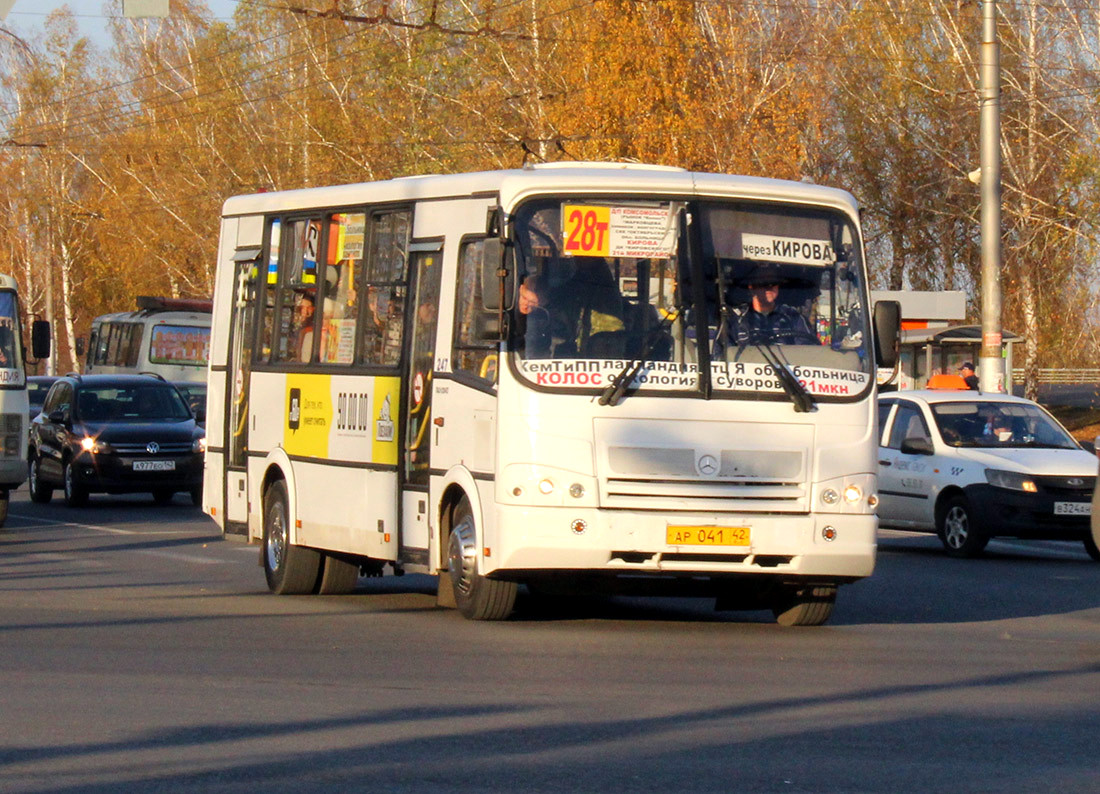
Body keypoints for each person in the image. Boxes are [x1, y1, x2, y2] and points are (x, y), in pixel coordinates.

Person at [720, 263, 817, 350]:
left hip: (785, 370)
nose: (769, 287)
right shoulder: (735, 319)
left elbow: (810, 353)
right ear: (751, 287)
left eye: (773, 282)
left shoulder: (794, 317)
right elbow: (720, 355)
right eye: (763, 282)